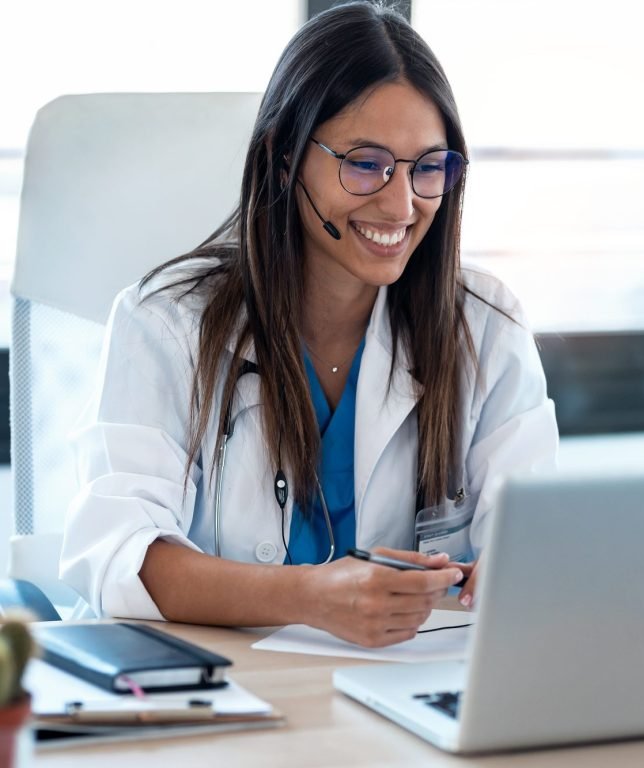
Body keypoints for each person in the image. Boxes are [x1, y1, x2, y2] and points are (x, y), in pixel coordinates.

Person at [60, 1, 558, 647]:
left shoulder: (483, 324)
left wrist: (519, 572)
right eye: (364, 161)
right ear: (285, 158)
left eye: (428, 167)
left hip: (409, 695)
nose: (402, 203)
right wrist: (312, 597)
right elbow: (117, 555)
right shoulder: (168, 322)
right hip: (218, 690)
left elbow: (536, 532)